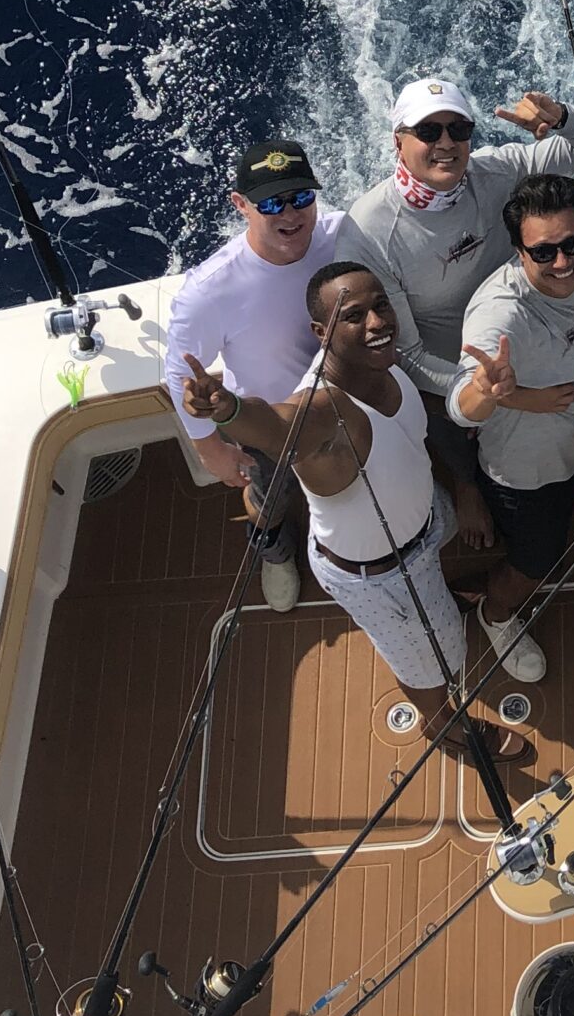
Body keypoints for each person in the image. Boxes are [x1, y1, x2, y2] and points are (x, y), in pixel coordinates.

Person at [334, 75, 574, 554]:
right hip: (451, 374)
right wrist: (503, 395)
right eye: (429, 131)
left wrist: (563, 119)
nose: (446, 143)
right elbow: (406, 353)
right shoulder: (368, 231)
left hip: (523, 338)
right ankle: (466, 487)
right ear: (398, 141)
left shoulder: (497, 170)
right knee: (458, 434)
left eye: (459, 129)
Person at [175, 263, 467, 693]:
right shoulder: (324, 410)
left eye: (381, 305)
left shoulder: (381, 360)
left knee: (439, 609)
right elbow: (279, 426)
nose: (377, 322)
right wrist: (229, 410)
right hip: (384, 578)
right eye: (353, 316)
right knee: (433, 670)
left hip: (423, 531)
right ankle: (440, 721)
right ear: (320, 332)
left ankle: (438, 604)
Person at [450, 175, 574, 687]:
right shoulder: (499, 313)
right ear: (519, 251)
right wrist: (488, 391)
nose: (562, 262)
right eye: (544, 252)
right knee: (537, 562)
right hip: (525, 474)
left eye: (572, 244)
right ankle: (496, 614)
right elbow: (460, 408)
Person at [161, 140, 345, 612]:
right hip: (269, 427)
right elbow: (180, 374)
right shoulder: (208, 291)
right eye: (271, 203)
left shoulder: (343, 235)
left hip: (347, 402)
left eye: (301, 197)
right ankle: (275, 552)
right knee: (268, 500)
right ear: (240, 205)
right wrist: (211, 450)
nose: (291, 214)